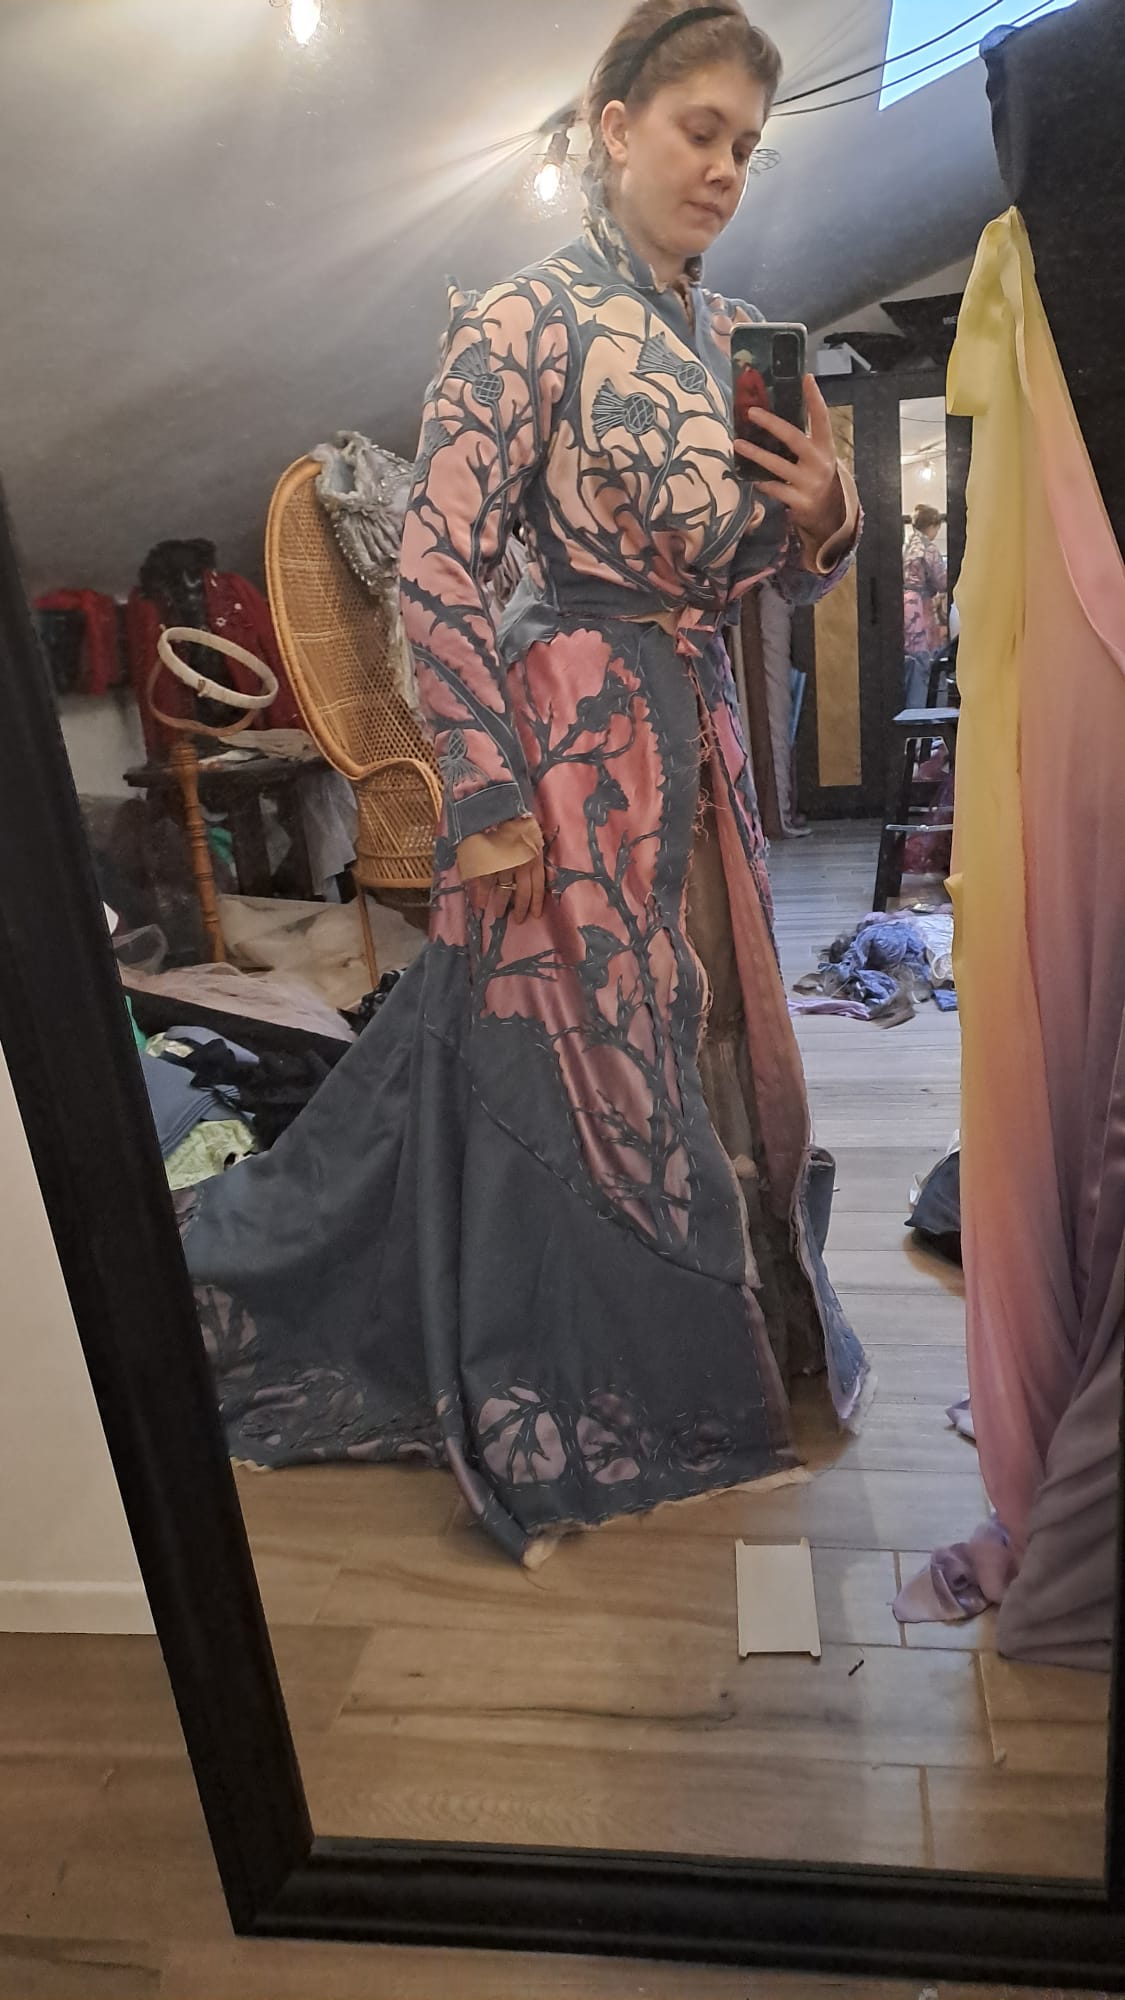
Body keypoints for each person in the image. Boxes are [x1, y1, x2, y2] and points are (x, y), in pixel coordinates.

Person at [183, 0, 870, 1563]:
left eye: (747, 146)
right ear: (615, 129)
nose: (725, 170)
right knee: (589, 1060)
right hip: (568, 753)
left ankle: (726, 1333)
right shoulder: (519, 320)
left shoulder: (735, 338)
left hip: (700, 737)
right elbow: (438, 566)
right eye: (699, 131)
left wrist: (826, 520)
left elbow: (768, 573)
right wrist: (484, 802)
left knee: (701, 1024)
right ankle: (621, 1379)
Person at [902, 502, 948, 705]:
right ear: (932, 525)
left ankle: (908, 709)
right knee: (923, 662)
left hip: (903, 604)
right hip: (919, 606)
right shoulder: (928, 548)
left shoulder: (906, 545)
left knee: (910, 662)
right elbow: (941, 581)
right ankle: (920, 711)